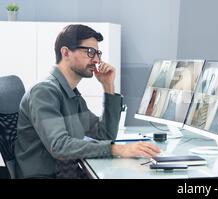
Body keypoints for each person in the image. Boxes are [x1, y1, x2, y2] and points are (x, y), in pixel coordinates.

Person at [14, 24, 160, 179]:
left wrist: (108, 86)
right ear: (65, 52)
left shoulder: (71, 93)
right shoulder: (44, 92)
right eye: (90, 52)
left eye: (98, 53)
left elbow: (104, 135)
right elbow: (59, 146)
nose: (97, 60)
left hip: (66, 171)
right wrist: (117, 149)